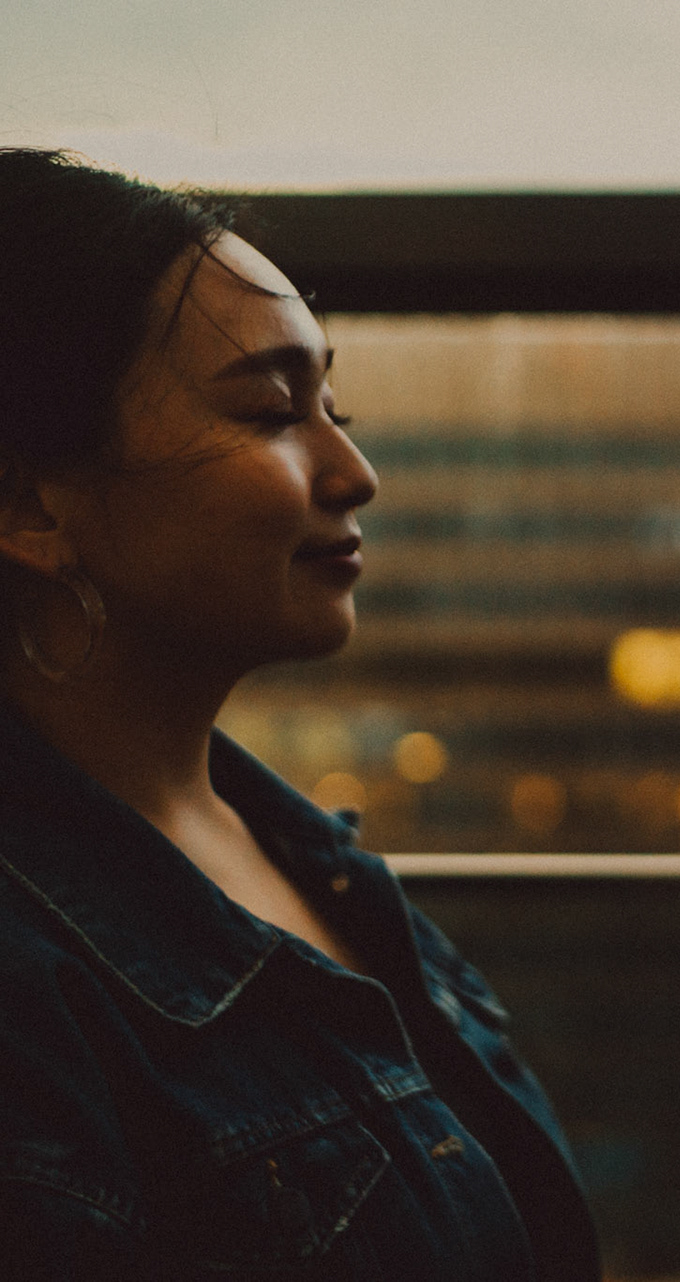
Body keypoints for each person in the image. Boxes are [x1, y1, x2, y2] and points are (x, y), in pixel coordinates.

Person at [0, 149, 599, 1278]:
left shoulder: (308, 858)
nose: (354, 468)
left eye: (337, 404)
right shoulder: (28, 1003)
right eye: (275, 410)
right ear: (31, 500)